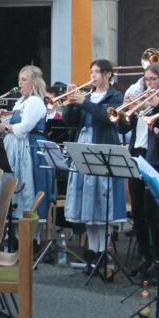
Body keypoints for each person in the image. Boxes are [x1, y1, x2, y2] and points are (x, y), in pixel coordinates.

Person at [63, 59, 126, 266]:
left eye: (97, 72)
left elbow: (108, 118)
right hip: (83, 145)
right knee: (87, 200)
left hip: (103, 147)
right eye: (91, 71)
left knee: (102, 199)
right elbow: (69, 122)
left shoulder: (116, 96)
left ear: (108, 74)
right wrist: (71, 103)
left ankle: (103, 251)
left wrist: (84, 103)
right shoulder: (87, 96)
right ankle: (91, 250)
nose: (93, 76)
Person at [114, 61, 159, 278]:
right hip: (136, 154)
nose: (149, 84)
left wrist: (157, 106)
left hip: (154, 158)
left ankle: (157, 259)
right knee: (137, 210)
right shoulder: (142, 99)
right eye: (147, 79)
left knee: (151, 211)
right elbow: (122, 128)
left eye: (154, 79)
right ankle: (145, 256)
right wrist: (126, 110)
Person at [0, 65, 54, 225]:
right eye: (19, 79)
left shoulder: (35, 101)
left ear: (33, 82)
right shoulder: (21, 101)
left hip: (28, 149)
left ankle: (28, 235)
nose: (20, 83)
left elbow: (24, 128)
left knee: (26, 187)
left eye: (24, 79)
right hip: (15, 147)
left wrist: (6, 127)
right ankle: (10, 229)